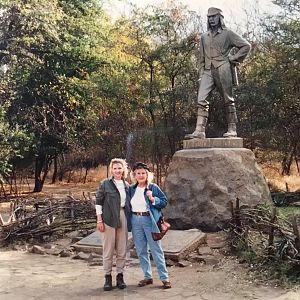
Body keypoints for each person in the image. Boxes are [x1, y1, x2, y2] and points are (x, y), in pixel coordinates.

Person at [185, 7, 251, 140]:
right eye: (209, 17)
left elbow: (246, 46)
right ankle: (199, 131)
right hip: (208, 71)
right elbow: (201, 58)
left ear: (220, 18)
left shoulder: (228, 34)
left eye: (214, 16)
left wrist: (233, 58)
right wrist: (201, 75)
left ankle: (232, 129)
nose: (212, 19)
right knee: (201, 99)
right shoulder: (204, 37)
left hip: (223, 67)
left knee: (228, 99)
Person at [126, 162, 171, 289]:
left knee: (156, 250)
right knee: (141, 250)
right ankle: (147, 276)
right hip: (135, 220)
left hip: (149, 221)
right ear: (134, 175)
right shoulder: (132, 189)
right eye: (138, 173)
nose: (140, 175)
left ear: (147, 174)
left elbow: (164, 201)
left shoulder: (153, 187)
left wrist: (153, 199)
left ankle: (164, 278)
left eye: (143, 173)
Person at [95, 158, 130, 291]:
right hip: (108, 217)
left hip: (122, 216)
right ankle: (107, 277)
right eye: (114, 168)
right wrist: (99, 219)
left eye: (119, 168)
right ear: (111, 170)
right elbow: (98, 202)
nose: (117, 170)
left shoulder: (127, 185)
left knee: (121, 249)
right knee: (108, 249)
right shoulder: (105, 184)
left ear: (123, 170)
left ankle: (120, 276)